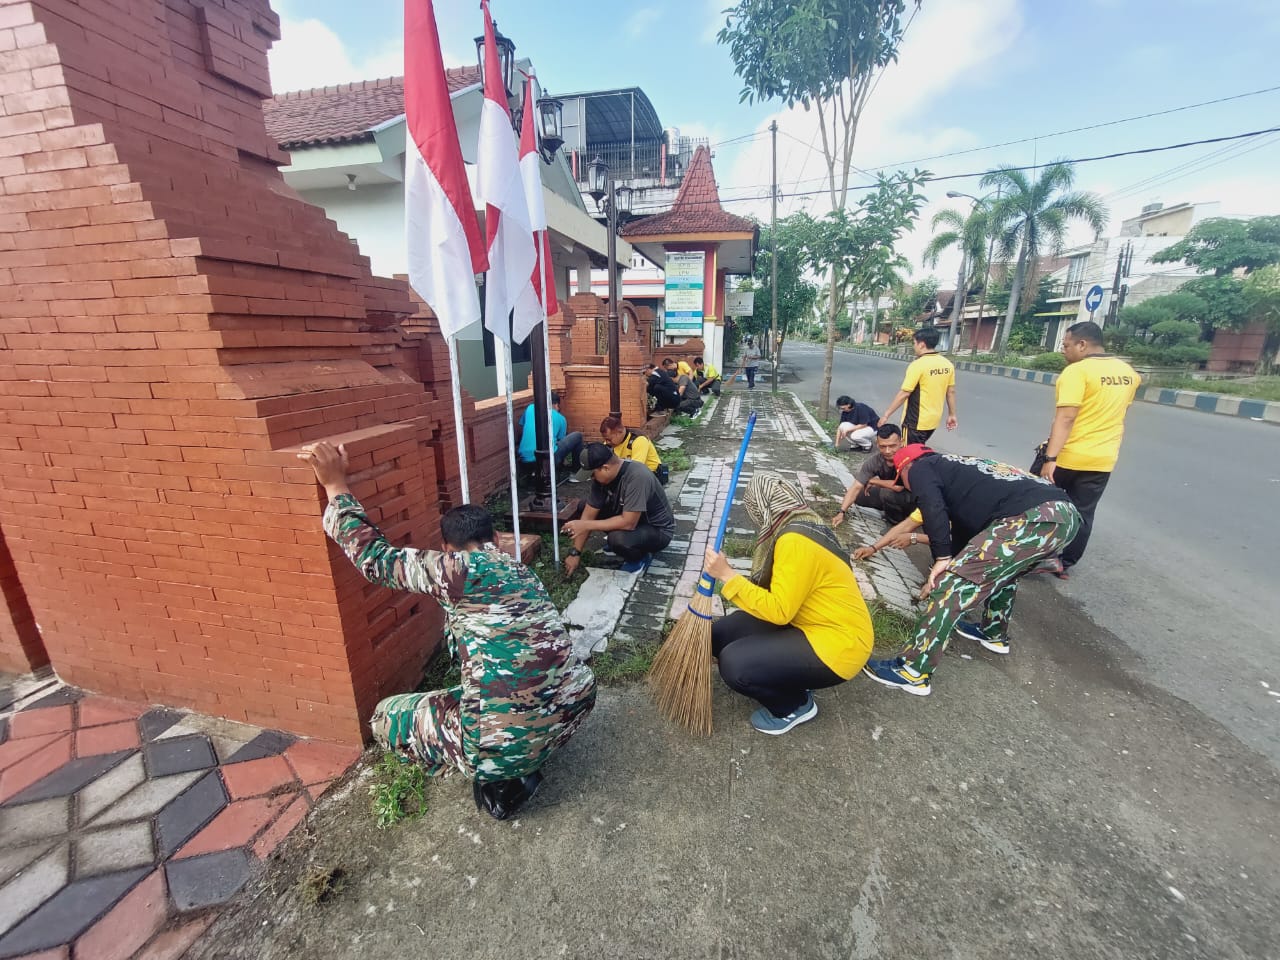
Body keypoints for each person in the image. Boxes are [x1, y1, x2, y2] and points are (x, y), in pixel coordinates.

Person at [296, 441, 596, 820]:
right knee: (475, 693)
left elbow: (376, 559)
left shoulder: (454, 569)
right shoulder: (521, 571)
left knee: (386, 716)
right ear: (496, 540)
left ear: (446, 548)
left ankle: (499, 770)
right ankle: (519, 749)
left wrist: (335, 486)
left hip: (504, 740)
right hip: (575, 706)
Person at [860, 445, 1081, 697]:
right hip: (1064, 517)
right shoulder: (961, 473)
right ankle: (993, 632)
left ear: (906, 467)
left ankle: (912, 671)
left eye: (904, 481)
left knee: (950, 587)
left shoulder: (921, 467)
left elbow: (933, 507)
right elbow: (966, 541)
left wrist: (943, 559)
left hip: (1033, 518)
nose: (911, 489)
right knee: (1003, 572)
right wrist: (949, 558)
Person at [701, 473, 873, 735]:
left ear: (761, 507)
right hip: (805, 620)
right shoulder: (799, 524)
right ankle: (788, 671)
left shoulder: (794, 540)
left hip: (841, 644)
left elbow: (779, 611)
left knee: (735, 664)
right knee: (721, 633)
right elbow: (783, 599)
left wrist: (727, 576)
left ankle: (794, 705)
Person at [1032, 320, 1140, 580]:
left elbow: (1066, 417)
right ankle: (1063, 563)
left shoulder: (1077, 372)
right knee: (1083, 512)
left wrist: (1050, 458)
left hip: (1068, 456)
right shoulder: (1129, 373)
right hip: (1102, 459)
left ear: (1082, 344)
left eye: (1066, 345)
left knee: (1034, 503)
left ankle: (1025, 555)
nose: (1063, 351)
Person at [561, 443, 675, 574]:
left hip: (657, 530)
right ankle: (627, 543)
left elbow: (629, 523)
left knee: (617, 539)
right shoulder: (601, 480)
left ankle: (639, 558)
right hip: (633, 518)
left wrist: (585, 525)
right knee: (583, 506)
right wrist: (575, 552)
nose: (591, 479)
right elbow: (589, 513)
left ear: (605, 468)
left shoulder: (637, 476)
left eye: (592, 474)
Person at [881, 327, 958, 444]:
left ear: (921, 345)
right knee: (920, 449)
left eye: (914, 343)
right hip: (933, 421)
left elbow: (905, 393)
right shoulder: (947, 364)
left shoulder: (917, 365)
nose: (914, 346)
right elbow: (950, 392)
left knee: (910, 453)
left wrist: (886, 414)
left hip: (915, 422)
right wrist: (952, 414)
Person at [831, 424, 916, 527]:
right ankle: (893, 509)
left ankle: (896, 524)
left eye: (892, 446)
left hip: (916, 500)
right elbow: (856, 487)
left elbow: (899, 486)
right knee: (859, 495)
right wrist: (841, 512)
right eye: (883, 446)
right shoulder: (875, 461)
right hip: (896, 496)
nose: (887, 451)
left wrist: (873, 481)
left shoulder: (909, 460)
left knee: (887, 493)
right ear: (877, 444)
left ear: (901, 442)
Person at [517, 391, 583, 482]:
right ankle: (577, 473)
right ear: (555, 404)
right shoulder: (561, 418)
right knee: (578, 436)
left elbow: (523, 426)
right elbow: (560, 439)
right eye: (558, 406)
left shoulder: (530, 408)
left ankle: (534, 472)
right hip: (547, 460)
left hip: (525, 460)